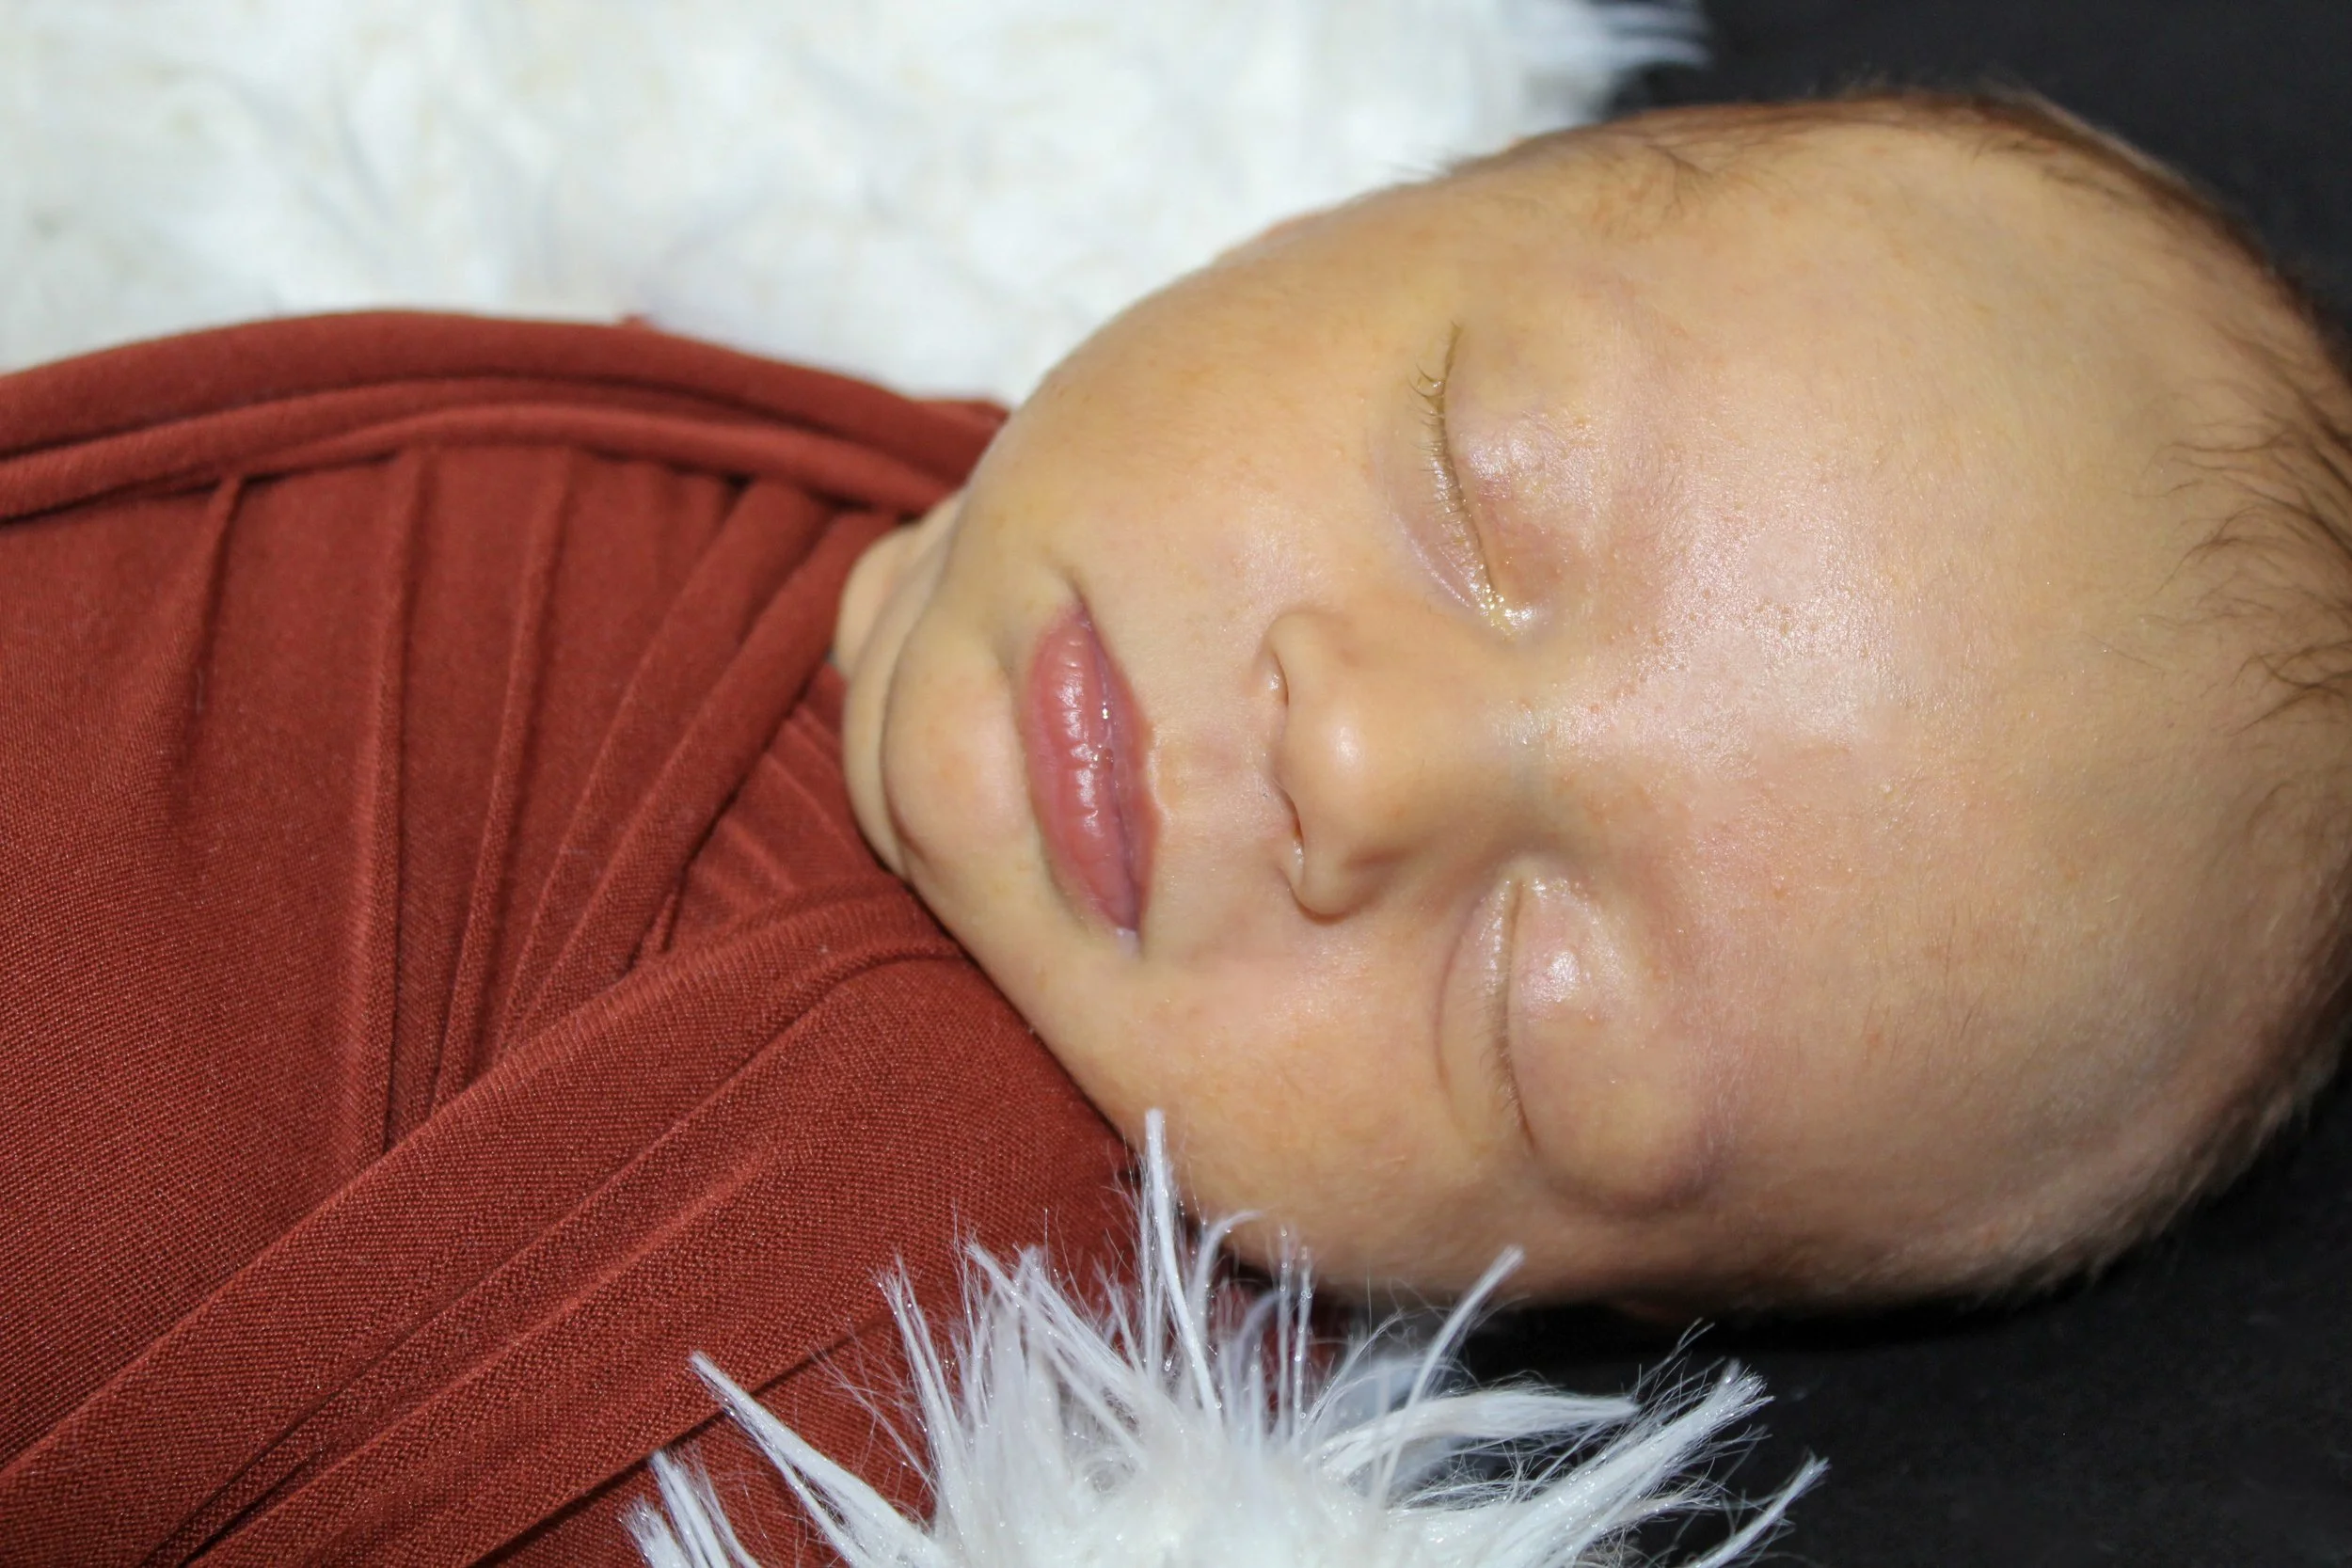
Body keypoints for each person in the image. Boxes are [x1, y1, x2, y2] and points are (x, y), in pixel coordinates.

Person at [3, 87, 2348, 1559]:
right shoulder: (903, 469)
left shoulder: (851, 1371)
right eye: (1474, 487)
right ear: (1357, 208)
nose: (1366, 765)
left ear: (1541, 1292)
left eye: (1537, 1010)